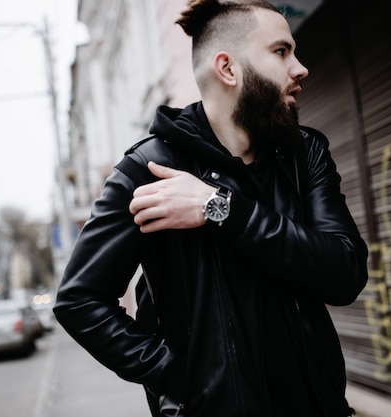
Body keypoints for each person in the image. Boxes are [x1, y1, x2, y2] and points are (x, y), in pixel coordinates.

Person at [53, 0, 368, 416]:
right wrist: (179, 376)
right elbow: (79, 301)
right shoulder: (148, 170)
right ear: (228, 68)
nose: (300, 68)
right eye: (281, 51)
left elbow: (345, 274)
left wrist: (219, 208)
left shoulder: (303, 153)